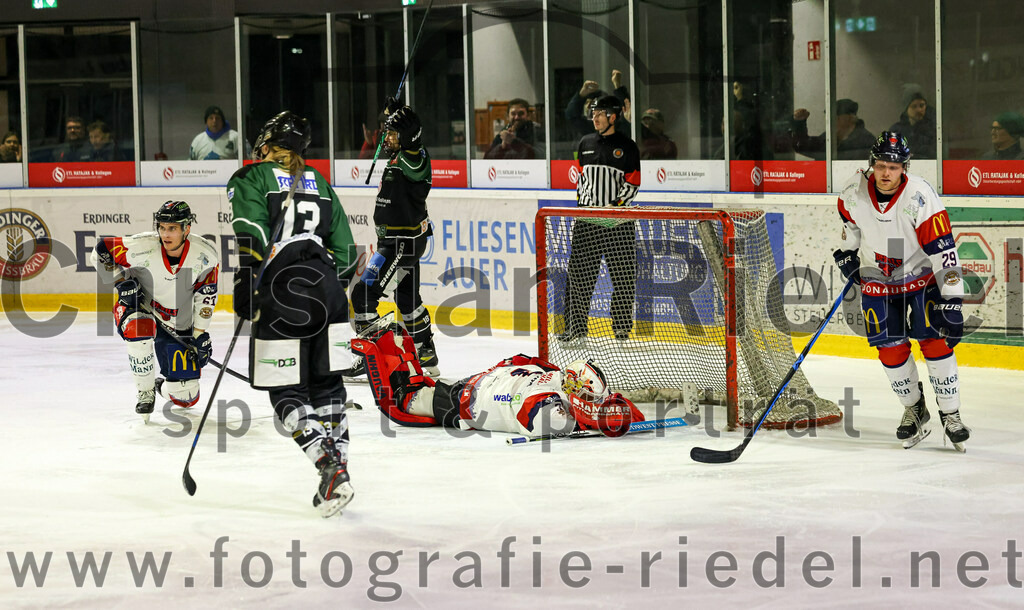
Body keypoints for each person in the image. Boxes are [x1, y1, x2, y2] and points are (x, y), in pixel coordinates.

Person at [229, 110, 357, 518]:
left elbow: (253, 233)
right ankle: (341, 472)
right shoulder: (319, 181)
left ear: (268, 144)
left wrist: (248, 280)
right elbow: (349, 253)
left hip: (284, 290)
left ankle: (327, 464)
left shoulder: (252, 177)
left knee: (286, 389)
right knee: (328, 384)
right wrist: (322, 283)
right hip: (329, 290)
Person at [833, 131, 969, 450]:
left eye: (893, 167)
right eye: (880, 165)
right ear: (872, 164)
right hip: (878, 280)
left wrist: (953, 301)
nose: (885, 173)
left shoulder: (919, 197)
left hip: (921, 279)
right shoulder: (853, 192)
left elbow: (944, 252)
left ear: (904, 168)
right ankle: (914, 410)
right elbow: (850, 229)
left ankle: (951, 415)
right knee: (890, 350)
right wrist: (846, 254)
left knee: (935, 342)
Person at [350, 323, 643, 438]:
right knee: (407, 398)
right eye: (589, 397)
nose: (595, 403)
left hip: (487, 381)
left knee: (429, 386)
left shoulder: (555, 375)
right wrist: (593, 419)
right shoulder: (550, 410)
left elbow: (518, 360)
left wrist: (611, 409)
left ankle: (399, 350)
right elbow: (541, 420)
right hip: (467, 400)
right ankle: (387, 357)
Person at [91, 201, 220, 422]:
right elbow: (100, 250)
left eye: (172, 228)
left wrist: (199, 335)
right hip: (138, 306)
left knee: (186, 398)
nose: (165, 234)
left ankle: (160, 386)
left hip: (177, 320)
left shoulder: (205, 255)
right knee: (138, 328)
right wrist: (121, 283)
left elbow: (205, 297)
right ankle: (145, 391)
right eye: (162, 227)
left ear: (186, 228)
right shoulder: (142, 246)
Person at [349, 100, 439, 377]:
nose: (385, 138)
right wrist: (395, 113)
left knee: (362, 296)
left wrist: (401, 121)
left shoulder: (416, 158)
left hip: (402, 244)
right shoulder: (406, 153)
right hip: (402, 242)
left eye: (391, 134)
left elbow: (412, 162)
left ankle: (373, 356)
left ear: (408, 137)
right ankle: (426, 354)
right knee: (407, 298)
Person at [559, 95, 641, 345]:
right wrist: (585, 210)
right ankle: (575, 328)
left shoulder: (628, 146)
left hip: (618, 223)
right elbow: (582, 182)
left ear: (613, 117)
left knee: (624, 277)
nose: (594, 118)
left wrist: (613, 208)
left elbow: (633, 183)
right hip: (587, 223)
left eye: (600, 114)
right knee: (578, 278)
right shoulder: (584, 143)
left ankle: (621, 330)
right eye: (593, 113)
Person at [791, 98, 876, 161]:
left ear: (851, 117)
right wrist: (799, 123)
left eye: (837, 116)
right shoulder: (827, 137)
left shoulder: (866, 140)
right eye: (830, 117)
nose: (832, 120)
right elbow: (802, 146)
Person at [564, 69, 631, 142]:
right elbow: (571, 116)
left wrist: (617, 86)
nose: (590, 108)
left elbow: (626, 111)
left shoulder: (615, 126)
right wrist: (582, 94)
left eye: (598, 109)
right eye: (588, 104)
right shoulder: (588, 128)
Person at [888, 86, 936, 159]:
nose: (919, 110)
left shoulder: (933, 130)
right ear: (906, 108)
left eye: (922, 105)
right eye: (914, 106)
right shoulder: (896, 131)